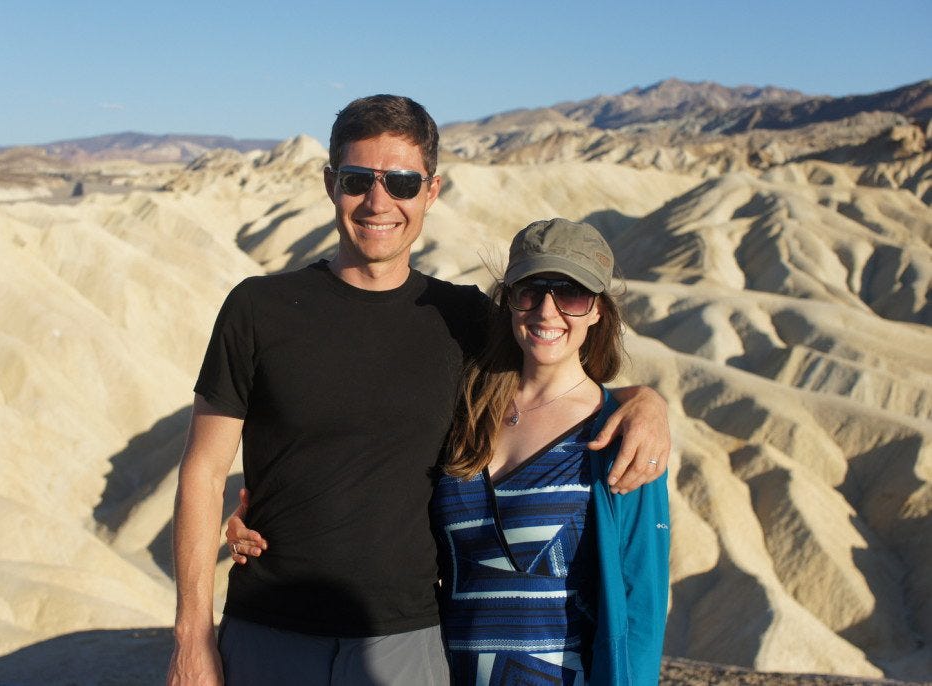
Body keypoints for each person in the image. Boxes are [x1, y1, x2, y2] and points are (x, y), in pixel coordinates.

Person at [168, 95, 670, 685]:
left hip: (405, 642)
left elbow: (553, 361)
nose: (379, 201)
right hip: (269, 632)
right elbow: (202, 470)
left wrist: (645, 403)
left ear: (431, 191)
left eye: (402, 182)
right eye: (358, 179)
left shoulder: (462, 319)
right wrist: (190, 637)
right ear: (331, 184)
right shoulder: (258, 309)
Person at [431, 217, 670, 685]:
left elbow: (640, 603)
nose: (546, 311)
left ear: (598, 310)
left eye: (571, 295)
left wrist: (648, 401)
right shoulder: (464, 414)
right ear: (509, 302)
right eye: (530, 291)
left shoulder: (620, 438)